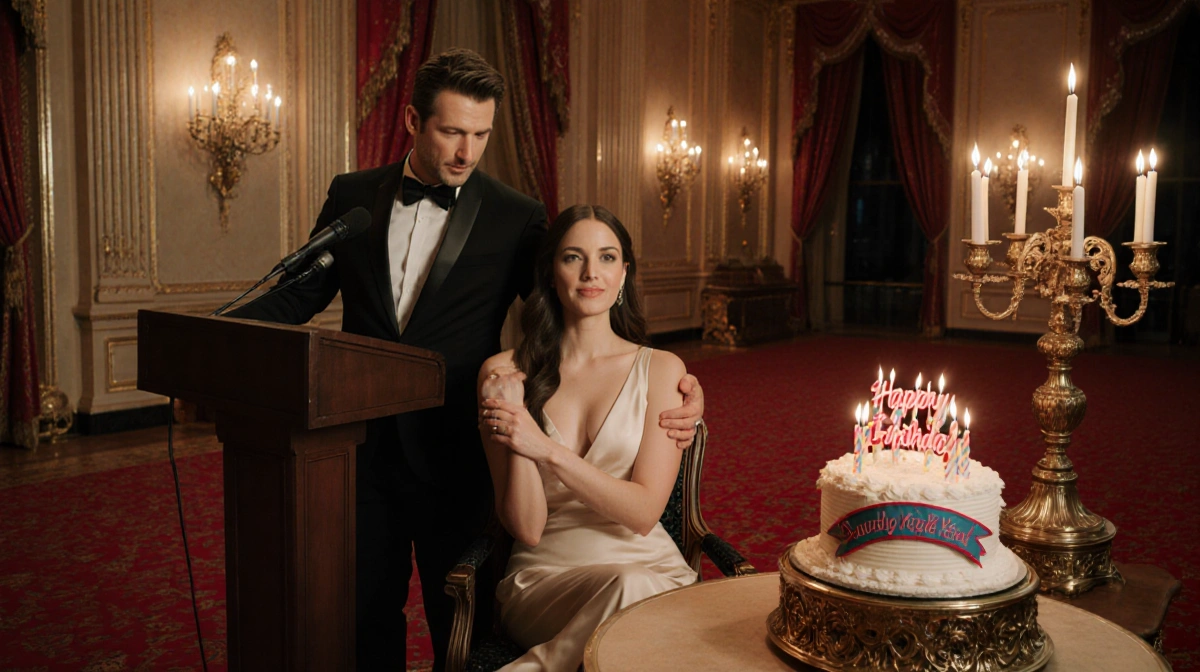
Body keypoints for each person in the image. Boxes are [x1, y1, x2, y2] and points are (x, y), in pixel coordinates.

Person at [227, 49, 704, 670]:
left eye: (481, 135)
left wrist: (681, 384)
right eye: (452, 131)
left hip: (458, 449)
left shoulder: (515, 214)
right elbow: (297, 297)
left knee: (458, 616)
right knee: (363, 613)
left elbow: (579, 305)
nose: (466, 152)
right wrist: (216, 340)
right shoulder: (353, 197)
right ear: (412, 121)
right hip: (358, 448)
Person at [477, 205, 699, 672]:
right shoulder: (503, 372)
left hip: (651, 570)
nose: (591, 273)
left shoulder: (662, 370)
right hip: (544, 582)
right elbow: (527, 527)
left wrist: (544, 447)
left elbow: (642, 514)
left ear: (624, 274)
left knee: (634, 587)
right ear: (550, 273)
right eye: (573, 257)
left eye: (607, 257)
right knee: (634, 599)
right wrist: (516, 415)